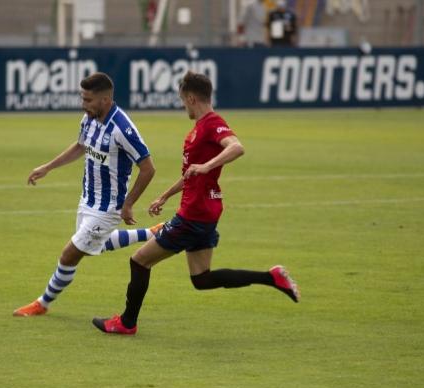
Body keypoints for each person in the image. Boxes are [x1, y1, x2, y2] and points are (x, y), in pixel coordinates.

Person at [92, 71, 300, 335]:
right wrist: (165, 196)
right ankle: (272, 277)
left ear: (191, 98)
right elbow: (191, 173)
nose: (183, 106)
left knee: (139, 261)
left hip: (194, 214)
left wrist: (207, 165)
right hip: (203, 213)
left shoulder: (213, 124)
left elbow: (237, 147)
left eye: (182, 101)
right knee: (202, 279)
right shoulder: (198, 130)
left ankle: (126, 323)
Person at [13, 72, 157, 317]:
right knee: (93, 247)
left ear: (105, 100)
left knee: (70, 253)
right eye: (83, 98)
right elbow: (81, 145)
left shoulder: (122, 128)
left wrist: (128, 204)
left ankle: (42, 303)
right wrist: (48, 167)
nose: (83, 104)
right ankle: (152, 233)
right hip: (87, 200)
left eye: (88, 100)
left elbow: (148, 168)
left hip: (109, 207)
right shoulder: (89, 119)